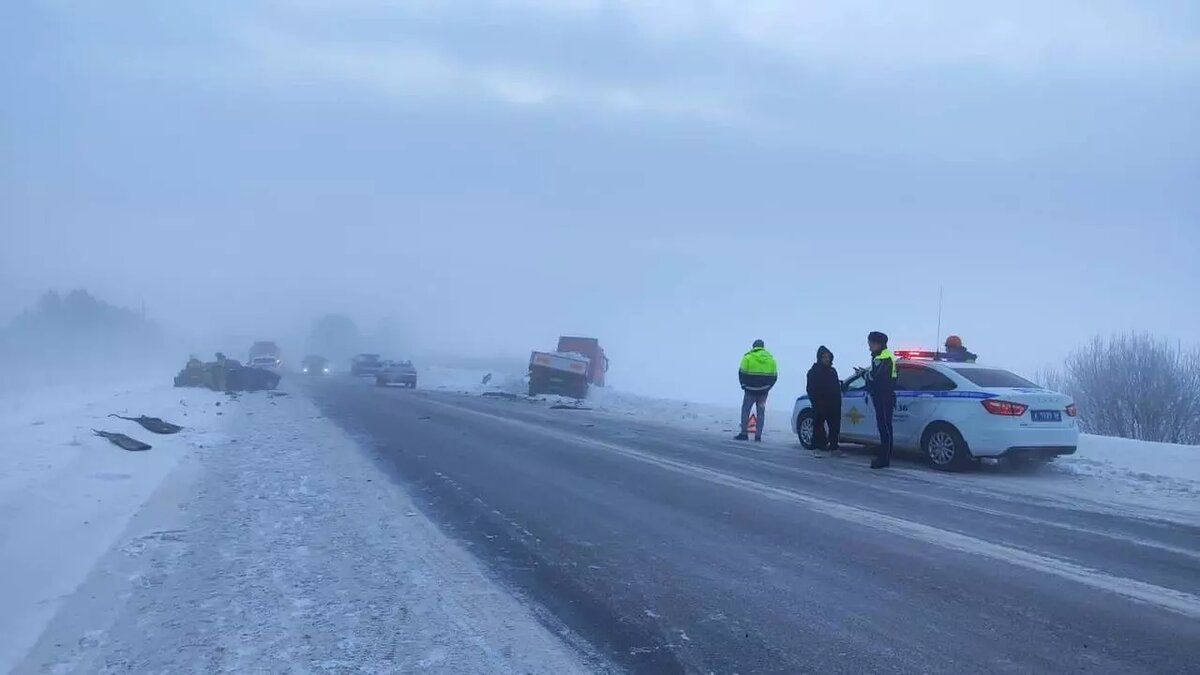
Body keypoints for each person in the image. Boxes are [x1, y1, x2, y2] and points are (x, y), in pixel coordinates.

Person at [864, 331, 898, 469]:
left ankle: (884, 458)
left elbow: (874, 376)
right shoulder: (883, 356)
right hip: (884, 395)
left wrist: (866, 375)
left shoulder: (882, 358)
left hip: (883, 396)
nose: (869, 347)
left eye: (870, 344)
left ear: (878, 344)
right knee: (884, 426)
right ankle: (884, 454)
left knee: (885, 427)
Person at [735, 339, 777, 442]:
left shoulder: (748, 357)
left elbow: (741, 373)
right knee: (761, 412)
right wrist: (768, 387)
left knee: (745, 410)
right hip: (763, 392)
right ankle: (758, 436)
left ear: (754, 347)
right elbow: (774, 376)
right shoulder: (771, 359)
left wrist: (744, 385)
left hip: (750, 390)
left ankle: (744, 433)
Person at [806, 345, 843, 457]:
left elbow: (837, 387)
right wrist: (816, 403)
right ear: (819, 358)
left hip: (833, 404)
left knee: (834, 427)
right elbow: (810, 389)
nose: (827, 359)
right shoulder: (813, 371)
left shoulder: (832, 371)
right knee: (818, 426)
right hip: (820, 403)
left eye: (828, 357)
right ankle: (817, 447)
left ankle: (834, 447)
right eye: (824, 357)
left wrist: (838, 402)